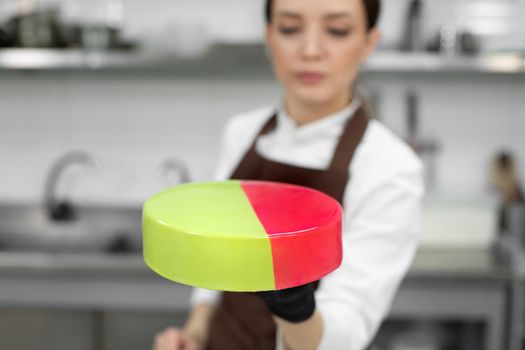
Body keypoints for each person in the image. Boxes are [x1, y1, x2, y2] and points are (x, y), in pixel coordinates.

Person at [153, 0, 424, 349]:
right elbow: (216, 265)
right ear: (268, 37)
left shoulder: (389, 166)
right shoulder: (242, 132)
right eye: (290, 29)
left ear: (369, 43)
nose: (310, 50)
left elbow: (350, 323)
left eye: (337, 30)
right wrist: (195, 331)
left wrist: (297, 310)